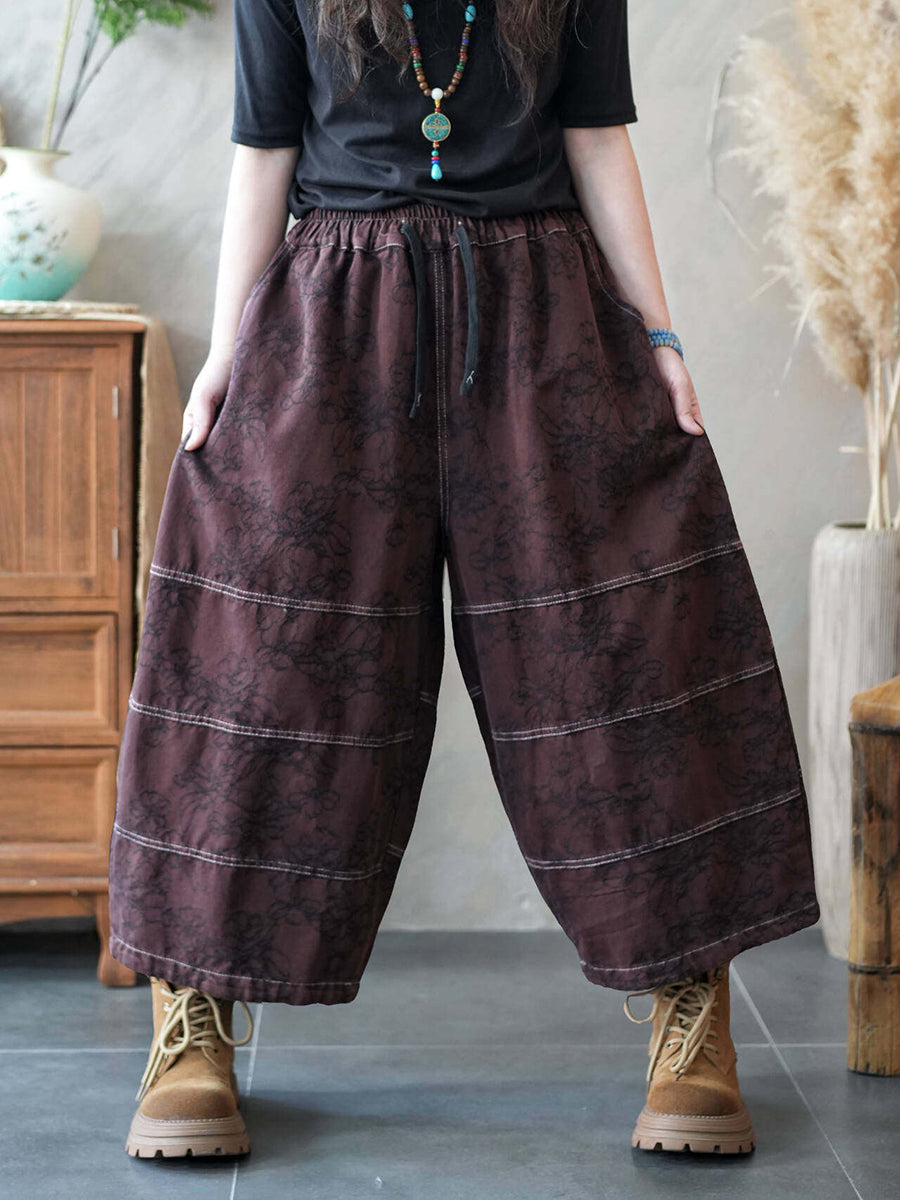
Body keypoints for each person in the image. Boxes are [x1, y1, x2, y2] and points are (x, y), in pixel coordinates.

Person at [108, 0, 820, 1161]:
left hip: (543, 310)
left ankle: (692, 1020)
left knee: (626, 655)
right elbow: (265, 149)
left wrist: (661, 340)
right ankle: (192, 1017)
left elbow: (596, 138)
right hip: (334, 310)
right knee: (254, 669)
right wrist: (229, 354)